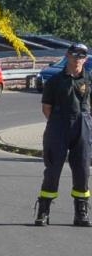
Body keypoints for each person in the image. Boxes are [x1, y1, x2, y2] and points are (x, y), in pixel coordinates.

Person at [37, 41, 92, 226]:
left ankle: (81, 212)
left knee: (83, 170)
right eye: (75, 55)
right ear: (67, 56)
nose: (78, 59)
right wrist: (59, 124)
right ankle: (44, 211)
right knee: (52, 170)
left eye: (82, 56)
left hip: (82, 127)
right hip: (58, 127)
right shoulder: (54, 81)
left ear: (85, 59)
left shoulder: (89, 80)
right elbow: (47, 108)